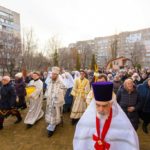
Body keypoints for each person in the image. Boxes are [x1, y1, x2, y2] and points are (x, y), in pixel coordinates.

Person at [73, 82, 139, 150]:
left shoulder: (122, 122)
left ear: (111, 104)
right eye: (97, 105)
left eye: (104, 106)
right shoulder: (86, 120)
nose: (101, 109)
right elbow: (80, 143)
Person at [45, 67, 66, 137]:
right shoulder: (50, 81)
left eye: (54, 74)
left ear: (57, 75)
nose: (53, 76)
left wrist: (58, 94)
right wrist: (47, 94)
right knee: (50, 113)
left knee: (55, 114)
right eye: (52, 74)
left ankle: (51, 128)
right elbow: (47, 89)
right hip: (50, 101)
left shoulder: (61, 82)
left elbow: (64, 89)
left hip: (56, 101)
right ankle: (51, 124)